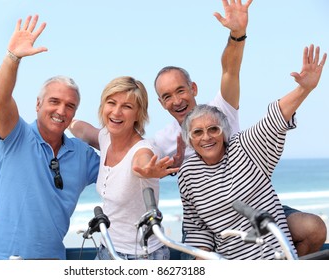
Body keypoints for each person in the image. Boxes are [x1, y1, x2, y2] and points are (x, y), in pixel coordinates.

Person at [152, 0, 327, 256]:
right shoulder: (168, 147)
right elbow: (135, 156)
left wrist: (237, 34)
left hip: (254, 204)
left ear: (194, 89)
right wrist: (156, 170)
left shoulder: (230, 124)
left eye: (181, 90)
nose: (177, 100)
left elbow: (268, 111)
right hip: (213, 219)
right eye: (168, 96)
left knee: (311, 228)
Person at [178, 44, 326, 259]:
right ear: (190, 140)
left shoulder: (244, 147)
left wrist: (304, 89)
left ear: (224, 132)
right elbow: (196, 226)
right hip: (234, 260)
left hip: (274, 253)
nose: (206, 137)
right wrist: (202, 261)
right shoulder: (188, 173)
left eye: (213, 129)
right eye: (198, 133)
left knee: (313, 228)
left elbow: (274, 119)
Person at [0, 15, 100, 260]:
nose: (61, 111)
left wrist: (95, 136)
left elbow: (118, 167)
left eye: (70, 106)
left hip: (51, 262)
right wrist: (13, 57)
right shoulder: (17, 136)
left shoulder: (83, 156)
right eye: (54, 102)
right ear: (38, 104)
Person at [69, 76, 179, 260]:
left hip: (142, 256)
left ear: (138, 114)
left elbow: (142, 161)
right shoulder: (106, 137)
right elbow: (81, 130)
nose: (116, 112)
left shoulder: (143, 149)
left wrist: (148, 170)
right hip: (108, 248)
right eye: (111, 103)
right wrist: (64, 120)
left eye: (127, 107)